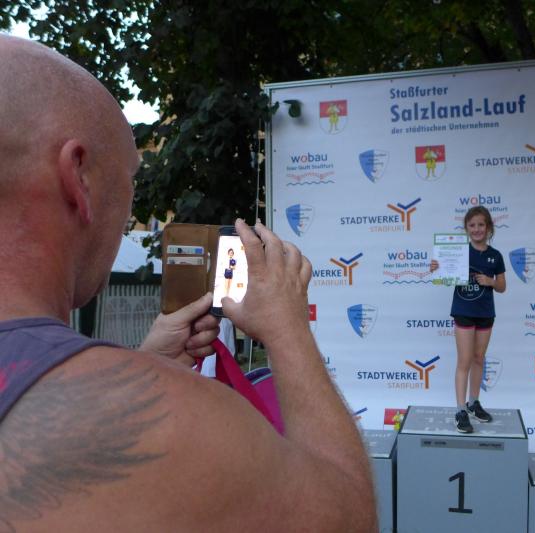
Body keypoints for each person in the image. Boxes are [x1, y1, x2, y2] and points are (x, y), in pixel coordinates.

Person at [0, 35, 376, 532]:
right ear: (79, 179)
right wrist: (289, 330)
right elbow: (348, 516)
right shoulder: (159, 421)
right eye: (129, 181)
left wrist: (148, 364)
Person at [431, 205, 506, 433]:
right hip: (463, 310)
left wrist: (490, 281)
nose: (477, 229)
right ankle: (460, 410)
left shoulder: (495, 256)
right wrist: (437, 267)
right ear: (466, 228)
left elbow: (502, 286)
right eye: (472, 225)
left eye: (481, 225)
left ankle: (474, 403)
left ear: (488, 227)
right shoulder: (458, 251)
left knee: (479, 359)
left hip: (485, 313)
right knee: (464, 360)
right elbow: (443, 274)